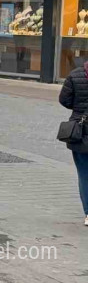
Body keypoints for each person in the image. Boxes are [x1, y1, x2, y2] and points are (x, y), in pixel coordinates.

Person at [58, 62, 88, 226]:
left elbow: (64, 99)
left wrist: (78, 108)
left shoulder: (75, 75)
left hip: (81, 130)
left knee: (84, 174)